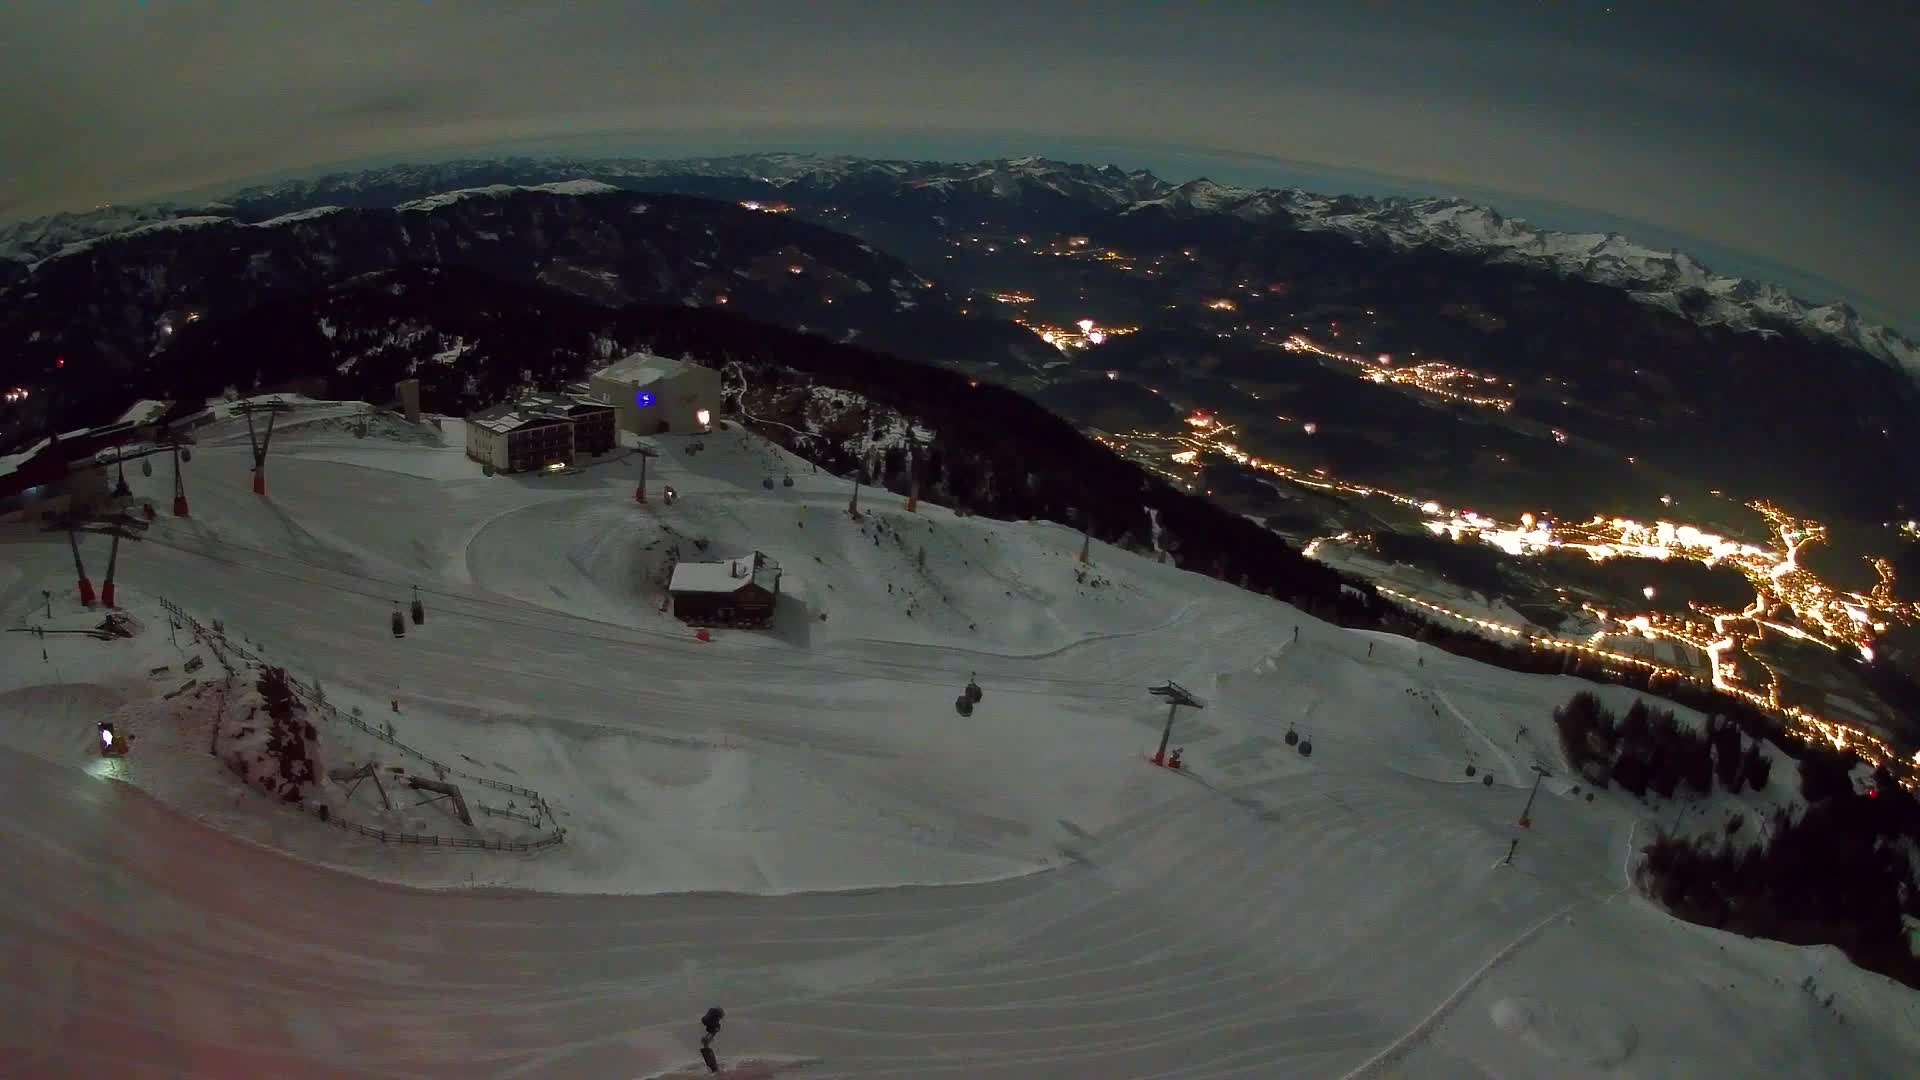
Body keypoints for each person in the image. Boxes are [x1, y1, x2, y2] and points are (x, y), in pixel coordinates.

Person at [700, 1007, 725, 1072]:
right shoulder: (715, 1022)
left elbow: (711, 1030)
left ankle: (706, 1041)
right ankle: (706, 1041)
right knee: (716, 1029)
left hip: (707, 1021)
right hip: (709, 1022)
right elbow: (713, 1030)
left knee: (714, 1030)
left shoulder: (712, 1013)